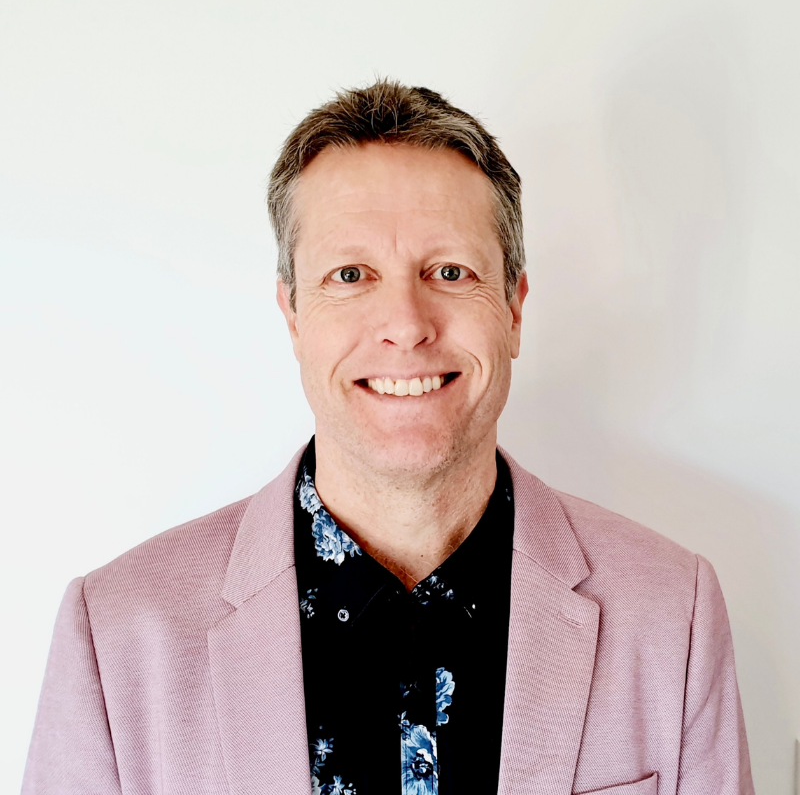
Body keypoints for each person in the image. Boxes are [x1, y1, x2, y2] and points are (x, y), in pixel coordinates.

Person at [22, 80, 754, 795]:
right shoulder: (115, 636)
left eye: (450, 271)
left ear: (514, 309)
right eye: (350, 274)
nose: (406, 323)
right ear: (294, 316)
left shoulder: (672, 616)